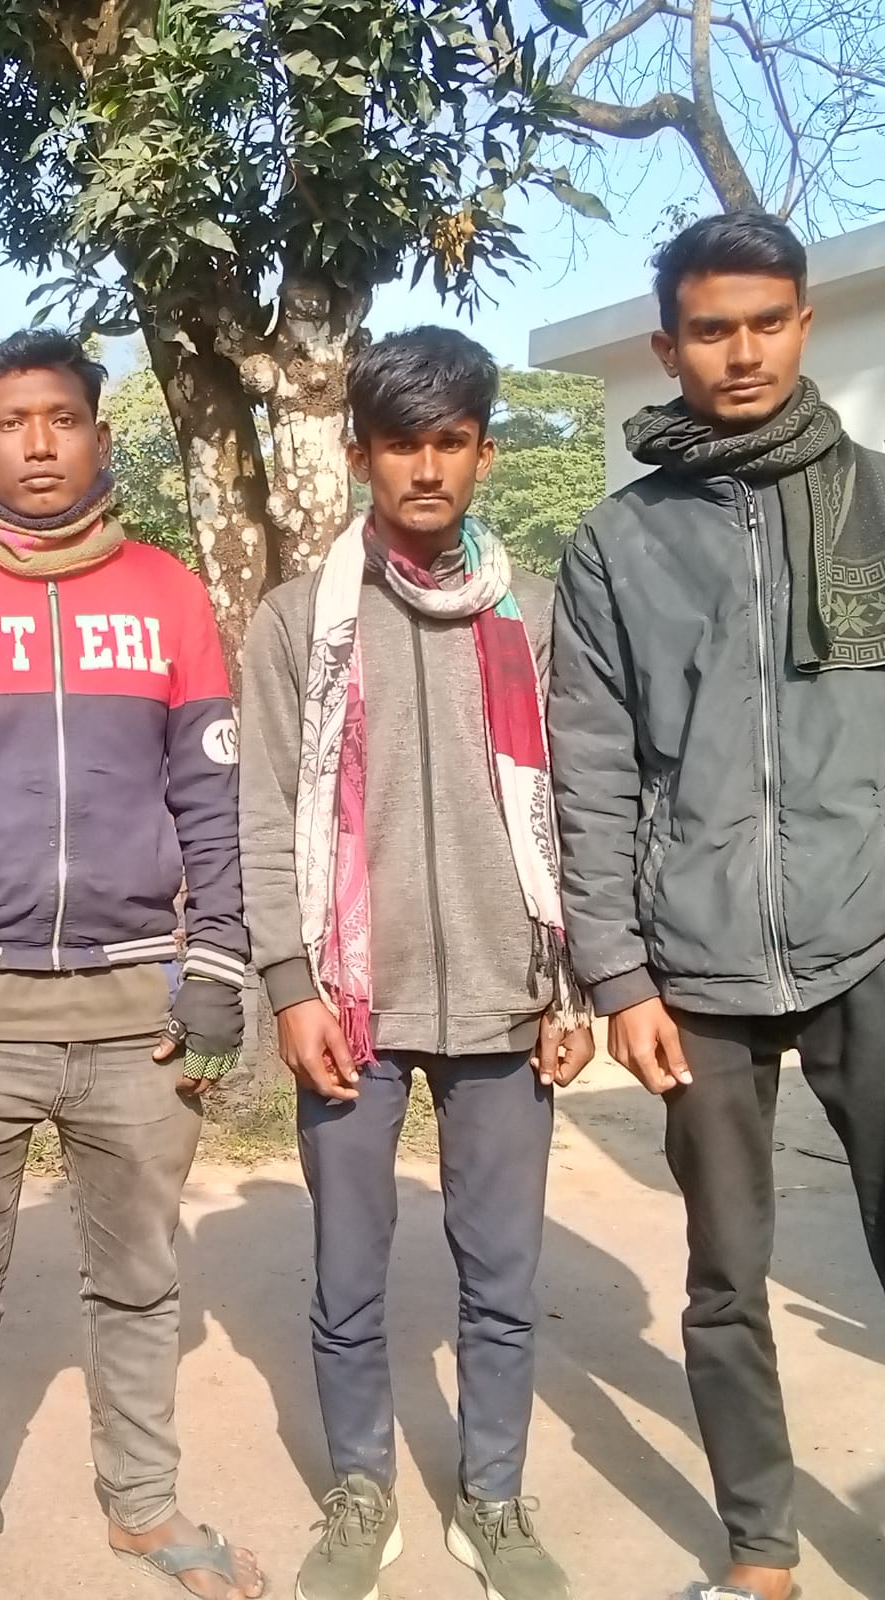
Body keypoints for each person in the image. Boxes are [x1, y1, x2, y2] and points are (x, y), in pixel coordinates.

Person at [0, 328, 262, 1600]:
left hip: (139, 1011)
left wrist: (218, 967)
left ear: (99, 438)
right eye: (10, 423)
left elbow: (215, 805)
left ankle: (143, 1506)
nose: (37, 444)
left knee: (139, 1284)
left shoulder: (169, 595)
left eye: (62, 419)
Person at [549, 212, 885, 1600]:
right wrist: (619, 977)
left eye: (764, 323)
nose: (740, 352)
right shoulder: (617, 545)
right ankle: (760, 1552)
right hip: (696, 969)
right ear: (665, 345)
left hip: (870, 938)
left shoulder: (875, 507)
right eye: (710, 329)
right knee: (727, 1278)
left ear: (802, 325)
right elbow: (589, 768)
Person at [240, 326, 593, 1600]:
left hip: (509, 996)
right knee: (348, 1276)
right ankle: (360, 1491)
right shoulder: (298, 621)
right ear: (360, 456)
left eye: (451, 442)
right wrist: (289, 984)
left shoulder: (535, 614)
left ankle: (492, 1497)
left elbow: (583, 806)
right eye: (402, 444)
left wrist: (574, 984)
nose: (427, 468)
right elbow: (262, 812)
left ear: (485, 452)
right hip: (352, 1005)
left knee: (502, 1277)